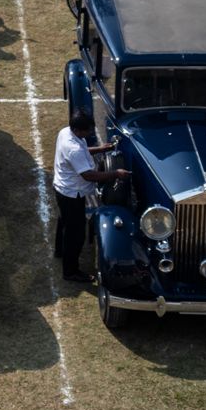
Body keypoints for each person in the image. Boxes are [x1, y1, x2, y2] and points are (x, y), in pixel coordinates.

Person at [53, 110, 130, 283]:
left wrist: (101, 148)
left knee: (64, 222)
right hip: (72, 194)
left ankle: (59, 251)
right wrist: (116, 173)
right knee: (76, 234)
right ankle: (70, 271)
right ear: (79, 130)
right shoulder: (73, 150)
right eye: (88, 130)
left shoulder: (65, 132)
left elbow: (83, 150)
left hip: (63, 189)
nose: (90, 133)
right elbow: (89, 175)